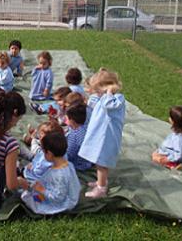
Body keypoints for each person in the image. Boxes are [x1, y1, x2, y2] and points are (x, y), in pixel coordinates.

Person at [78, 68, 125, 199]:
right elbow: (95, 104)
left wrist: (109, 93)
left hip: (107, 138)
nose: (97, 93)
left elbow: (108, 106)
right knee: (99, 162)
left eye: (98, 90)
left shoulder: (116, 99)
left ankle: (101, 188)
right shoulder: (103, 98)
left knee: (101, 163)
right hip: (101, 135)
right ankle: (101, 182)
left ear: (107, 88)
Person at [20, 132, 81, 215]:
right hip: (65, 193)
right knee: (31, 190)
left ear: (49, 154)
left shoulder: (59, 175)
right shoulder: (67, 164)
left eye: (43, 152)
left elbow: (58, 197)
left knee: (28, 196)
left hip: (63, 202)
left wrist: (42, 190)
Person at [152, 106, 182, 170]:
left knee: (155, 156)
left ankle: (173, 164)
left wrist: (167, 159)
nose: (169, 118)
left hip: (180, 157)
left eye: (171, 118)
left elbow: (180, 154)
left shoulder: (180, 138)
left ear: (175, 122)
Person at [66, 103, 92, 172]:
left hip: (78, 164)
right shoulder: (86, 127)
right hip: (88, 161)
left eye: (67, 118)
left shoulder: (75, 135)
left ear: (72, 120)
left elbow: (69, 155)